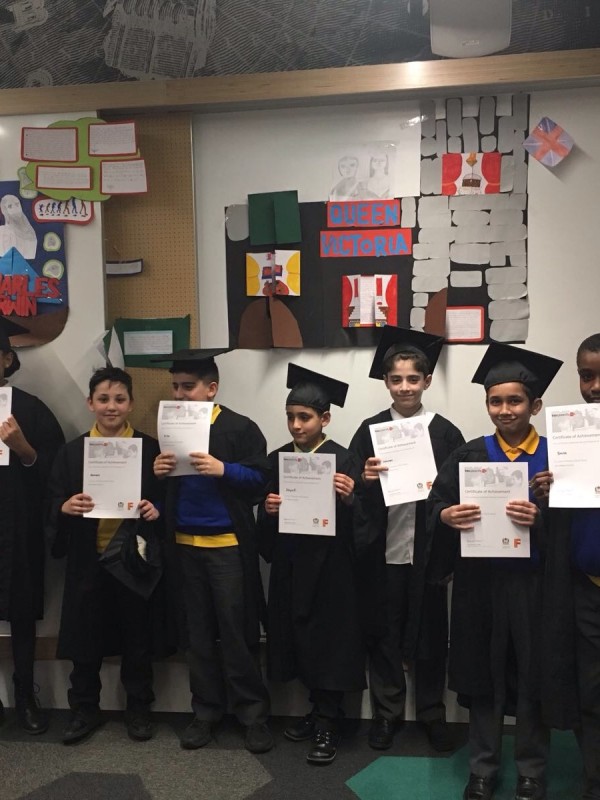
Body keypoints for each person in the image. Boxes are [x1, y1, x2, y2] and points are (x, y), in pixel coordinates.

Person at [426, 343, 566, 800]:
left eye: (515, 401)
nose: (505, 410)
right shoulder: (468, 454)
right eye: (495, 401)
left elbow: (577, 522)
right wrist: (445, 515)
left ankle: (531, 769)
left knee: (533, 675)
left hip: (535, 585)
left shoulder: (556, 458)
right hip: (480, 586)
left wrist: (542, 518)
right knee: (483, 675)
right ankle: (483, 767)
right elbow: (435, 503)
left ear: (535, 405)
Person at [349, 326, 465, 752]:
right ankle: (387, 713)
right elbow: (352, 490)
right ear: (386, 382)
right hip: (384, 551)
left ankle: (432, 713)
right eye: (396, 379)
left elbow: (457, 494)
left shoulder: (446, 433)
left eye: (413, 379)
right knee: (384, 633)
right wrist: (365, 479)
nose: (404, 387)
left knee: (431, 637)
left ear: (427, 381)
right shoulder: (370, 430)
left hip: (427, 554)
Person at [152, 348, 273, 754]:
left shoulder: (239, 427)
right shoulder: (169, 427)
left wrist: (224, 469)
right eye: (175, 386)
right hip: (183, 547)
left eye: (188, 386)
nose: (179, 394)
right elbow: (166, 494)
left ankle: (253, 715)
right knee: (197, 636)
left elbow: (261, 481)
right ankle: (205, 712)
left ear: (212, 388)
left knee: (237, 634)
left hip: (227, 548)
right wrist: (158, 474)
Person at [47, 366, 163, 744]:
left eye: (119, 399)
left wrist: (155, 509)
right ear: (90, 403)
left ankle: (139, 708)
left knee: (137, 638)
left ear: (131, 404)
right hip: (89, 558)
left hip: (133, 558)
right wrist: (64, 507)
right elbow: (53, 498)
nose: (111, 406)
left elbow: (165, 498)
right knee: (85, 640)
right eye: (103, 399)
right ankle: (84, 709)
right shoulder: (72, 451)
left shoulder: (149, 449)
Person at [257, 364, 366, 765]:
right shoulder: (278, 459)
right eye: (290, 417)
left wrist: (351, 498)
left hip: (332, 569)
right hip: (291, 564)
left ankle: (328, 720)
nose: (296, 425)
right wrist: (268, 510)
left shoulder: (344, 459)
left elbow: (366, 523)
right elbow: (266, 526)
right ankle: (316, 710)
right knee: (298, 638)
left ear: (325, 419)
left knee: (329, 642)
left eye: (304, 417)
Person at [533, 333, 600, 800]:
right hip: (586, 589)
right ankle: (596, 779)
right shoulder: (569, 439)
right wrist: (546, 494)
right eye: (586, 375)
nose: (594, 386)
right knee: (591, 691)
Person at [0, 315, 64, 733]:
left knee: (21, 614)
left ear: (7, 359)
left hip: (17, 527)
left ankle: (25, 696)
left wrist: (24, 448)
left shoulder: (30, 409)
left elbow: (57, 473)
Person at [0, 194, 37, 259]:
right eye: (10, 206)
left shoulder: (30, 231)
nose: (15, 209)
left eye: (17, 204)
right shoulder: (2, 231)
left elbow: (31, 255)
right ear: (4, 211)